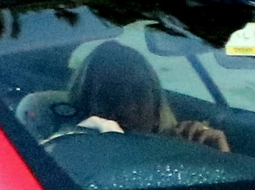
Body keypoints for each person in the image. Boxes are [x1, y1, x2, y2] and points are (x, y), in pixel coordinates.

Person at [64, 43, 229, 151]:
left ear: (157, 103)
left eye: (138, 92)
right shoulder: (71, 153)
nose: (126, 107)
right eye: (111, 95)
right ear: (84, 102)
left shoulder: (185, 146)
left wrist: (218, 155)